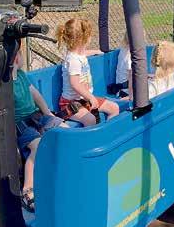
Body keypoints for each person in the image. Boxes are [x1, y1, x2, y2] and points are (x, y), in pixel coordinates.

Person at [13, 49, 68, 212]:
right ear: (15, 58)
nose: (22, 57)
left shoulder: (22, 75)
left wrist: (48, 114)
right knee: (37, 146)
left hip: (36, 116)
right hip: (20, 124)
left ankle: (66, 173)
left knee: (66, 130)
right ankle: (27, 190)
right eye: (20, 54)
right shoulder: (3, 83)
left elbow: (36, 96)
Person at [56, 18, 119, 126]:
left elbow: (83, 53)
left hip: (85, 100)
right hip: (71, 104)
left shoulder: (78, 54)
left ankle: (107, 133)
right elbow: (75, 84)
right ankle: (93, 137)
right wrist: (91, 97)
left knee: (114, 108)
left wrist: (96, 51)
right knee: (90, 120)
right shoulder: (73, 60)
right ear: (83, 39)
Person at [114, 32, 131, 98]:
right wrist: (131, 97)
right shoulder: (130, 56)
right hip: (125, 93)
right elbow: (132, 78)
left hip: (120, 89)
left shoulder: (124, 49)